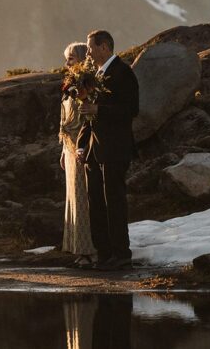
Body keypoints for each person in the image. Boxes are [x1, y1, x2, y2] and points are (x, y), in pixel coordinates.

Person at [76, 30, 140, 271]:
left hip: (115, 147)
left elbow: (131, 110)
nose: (88, 53)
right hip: (94, 149)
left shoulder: (124, 73)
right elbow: (87, 114)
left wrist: (99, 111)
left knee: (113, 201)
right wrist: (82, 144)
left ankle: (121, 253)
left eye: (91, 48)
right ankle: (103, 254)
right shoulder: (95, 75)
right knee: (96, 203)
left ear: (104, 47)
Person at [58, 42, 95, 267]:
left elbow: (86, 118)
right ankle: (77, 247)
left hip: (82, 147)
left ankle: (89, 250)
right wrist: (64, 150)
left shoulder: (87, 84)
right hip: (70, 148)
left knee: (84, 198)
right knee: (74, 198)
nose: (67, 63)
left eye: (71, 58)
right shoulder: (71, 83)